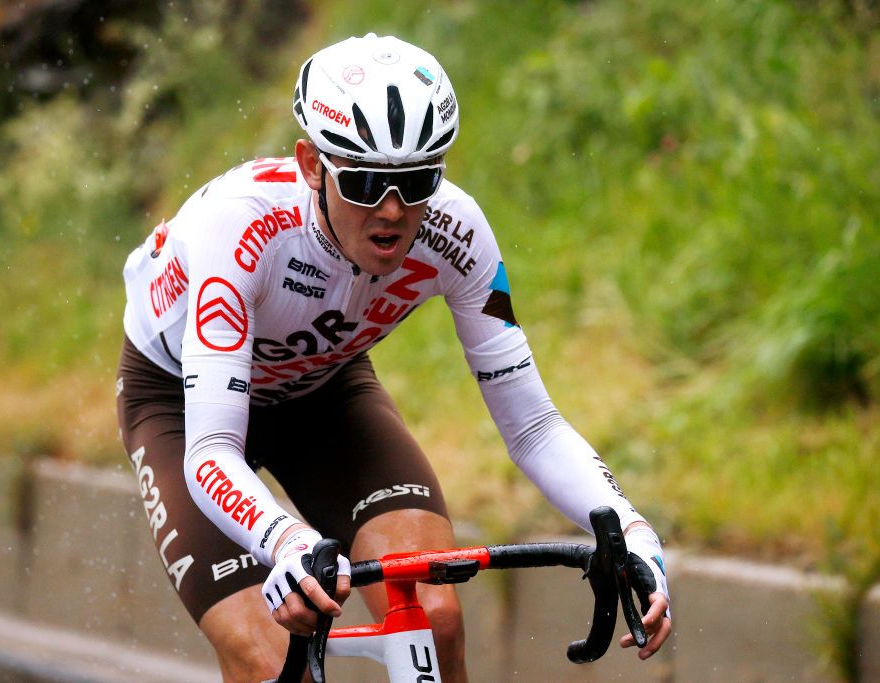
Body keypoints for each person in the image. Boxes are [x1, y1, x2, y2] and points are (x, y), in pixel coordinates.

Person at [116, 33, 671, 682]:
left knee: (433, 617)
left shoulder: (459, 234)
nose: (392, 210)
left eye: (415, 182)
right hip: (182, 403)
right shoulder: (238, 229)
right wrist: (285, 540)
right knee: (268, 657)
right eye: (366, 180)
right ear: (310, 164)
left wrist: (633, 530)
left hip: (324, 392)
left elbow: (533, 426)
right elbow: (212, 449)